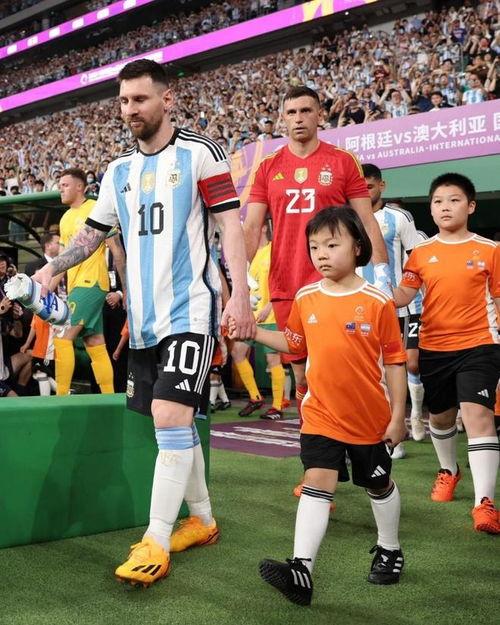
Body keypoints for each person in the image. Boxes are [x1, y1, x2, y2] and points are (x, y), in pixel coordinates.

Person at [33, 59, 254, 587]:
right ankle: (203, 519)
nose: (130, 109)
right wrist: (49, 269)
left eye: (139, 99)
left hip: (190, 310)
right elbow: (92, 235)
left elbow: (230, 226)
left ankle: (155, 539)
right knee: (174, 424)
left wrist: (241, 295)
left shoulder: (200, 153)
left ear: (166, 99)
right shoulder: (118, 172)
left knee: (169, 417)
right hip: (146, 319)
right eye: (123, 101)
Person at [230, 207, 407, 605]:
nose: (321, 254)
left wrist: (399, 416)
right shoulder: (306, 296)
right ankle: (301, 570)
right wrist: (253, 331)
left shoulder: (378, 301)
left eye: (332, 244)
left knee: (377, 484)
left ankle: (389, 548)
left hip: (369, 419)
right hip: (320, 414)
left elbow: (395, 362)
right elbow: (295, 344)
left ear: (357, 247)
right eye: (314, 247)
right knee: (316, 481)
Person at [244, 86, 390, 495]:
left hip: (338, 286)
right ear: (283, 118)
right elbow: (252, 227)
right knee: (302, 375)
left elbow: (366, 220)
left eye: (306, 110)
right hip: (286, 284)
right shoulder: (268, 166)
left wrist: (381, 274)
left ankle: (360, 447)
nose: (298, 118)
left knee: (343, 370)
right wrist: (238, 281)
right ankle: (319, 466)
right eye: (291, 111)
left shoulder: (342, 161)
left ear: (320, 114)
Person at [394, 173, 500, 534]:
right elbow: (404, 296)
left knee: (477, 415)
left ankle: (484, 503)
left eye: (454, 200)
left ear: (470, 206)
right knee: (440, 419)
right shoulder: (421, 254)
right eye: (438, 201)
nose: (445, 207)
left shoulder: (490, 250)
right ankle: (449, 470)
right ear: (431, 209)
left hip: (480, 344)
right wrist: (374, 291)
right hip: (434, 348)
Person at [359, 164, 420, 457]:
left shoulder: (399, 217)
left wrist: (404, 293)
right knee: (369, 371)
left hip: (393, 308)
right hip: (359, 308)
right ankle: (370, 433)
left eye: (369, 186)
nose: (364, 192)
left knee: (400, 367)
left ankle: (405, 425)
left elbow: (417, 259)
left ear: (381, 186)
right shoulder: (348, 217)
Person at [49, 168, 117, 396]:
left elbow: (116, 249)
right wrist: (47, 288)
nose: (61, 189)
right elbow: (62, 260)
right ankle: (109, 398)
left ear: (80, 187)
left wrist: (126, 290)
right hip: (76, 285)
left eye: (65, 185)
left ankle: (61, 398)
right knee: (94, 342)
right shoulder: (65, 218)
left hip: (91, 282)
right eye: (60, 186)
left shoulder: (96, 209)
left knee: (62, 337)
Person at [232, 223, 285, 419]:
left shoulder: (273, 250)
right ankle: (255, 397)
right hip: (251, 316)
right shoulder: (250, 255)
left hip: (270, 315)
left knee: (273, 360)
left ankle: (277, 407)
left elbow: (283, 282)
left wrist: (270, 306)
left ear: (263, 228)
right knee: (237, 352)